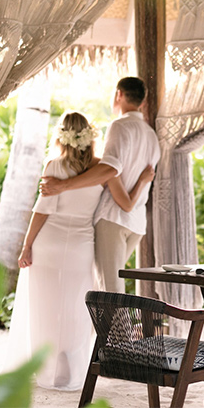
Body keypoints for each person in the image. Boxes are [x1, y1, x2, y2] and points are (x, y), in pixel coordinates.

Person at [7, 110, 154, 391]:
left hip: (48, 244)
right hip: (81, 246)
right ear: (89, 136)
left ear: (61, 135)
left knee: (45, 309)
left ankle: (46, 372)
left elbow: (41, 211)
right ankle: (72, 373)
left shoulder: (54, 166)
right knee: (77, 308)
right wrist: (143, 181)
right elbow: (126, 204)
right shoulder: (101, 169)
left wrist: (27, 247)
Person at [40, 77, 161, 294]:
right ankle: (106, 329)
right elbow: (143, 176)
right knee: (105, 286)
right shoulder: (151, 135)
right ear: (142, 101)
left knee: (109, 291)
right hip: (136, 223)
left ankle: (117, 330)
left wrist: (63, 186)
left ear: (119, 95)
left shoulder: (119, 125)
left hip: (113, 219)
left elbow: (109, 169)